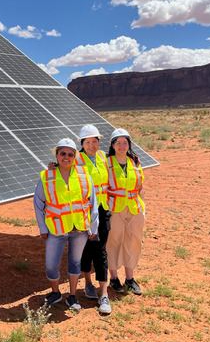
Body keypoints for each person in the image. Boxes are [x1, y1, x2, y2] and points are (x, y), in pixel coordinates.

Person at [34, 138, 98, 311]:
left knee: (75, 263)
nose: (66, 157)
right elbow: (38, 204)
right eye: (63, 153)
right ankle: (55, 293)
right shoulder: (47, 177)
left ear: (75, 157)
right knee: (51, 264)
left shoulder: (84, 175)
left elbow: (92, 201)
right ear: (57, 155)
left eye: (70, 154)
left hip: (80, 228)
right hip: (56, 228)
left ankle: (72, 296)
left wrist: (93, 226)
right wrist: (42, 228)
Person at [74, 125, 112, 314]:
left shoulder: (103, 157)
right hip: (84, 212)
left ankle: (103, 293)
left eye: (95, 141)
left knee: (101, 250)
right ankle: (88, 283)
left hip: (102, 209)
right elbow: (62, 171)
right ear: (82, 144)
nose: (92, 145)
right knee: (85, 250)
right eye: (88, 142)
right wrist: (53, 166)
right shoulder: (76, 159)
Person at [105, 128, 145, 295]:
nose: (122, 146)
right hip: (114, 209)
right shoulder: (105, 162)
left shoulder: (134, 162)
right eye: (118, 142)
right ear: (112, 145)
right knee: (113, 242)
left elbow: (141, 186)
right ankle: (114, 278)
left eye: (125, 142)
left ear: (129, 144)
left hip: (134, 209)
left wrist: (143, 205)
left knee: (133, 241)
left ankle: (130, 279)